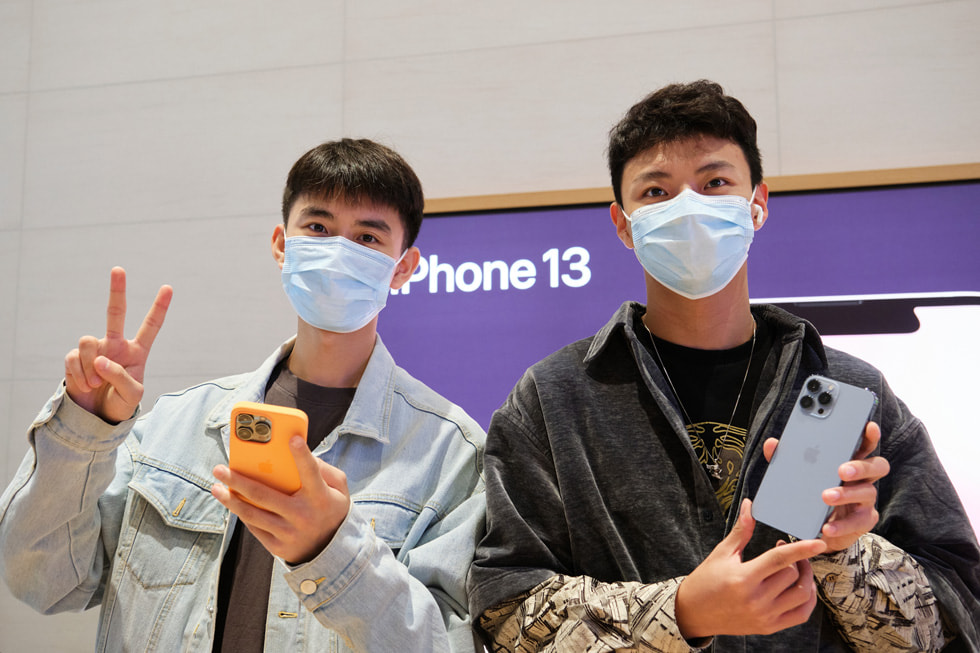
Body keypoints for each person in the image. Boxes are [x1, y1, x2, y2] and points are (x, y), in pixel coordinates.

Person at [468, 80, 980, 651]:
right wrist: (683, 611)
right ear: (623, 224)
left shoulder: (849, 389)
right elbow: (504, 608)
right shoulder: (555, 396)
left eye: (715, 183)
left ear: (756, 204)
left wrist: (848, 554)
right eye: (656, 192)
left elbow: (957, 620)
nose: (689, 207)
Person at [0, 138, 486, 652]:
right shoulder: (177, 425)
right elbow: (44, 581)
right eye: (318, 228)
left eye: (367, 237)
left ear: (405, 266)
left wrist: (331, 550)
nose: (338, 251)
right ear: (282, 244)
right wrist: (84, 431)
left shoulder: (452, 455)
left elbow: (448, 645)